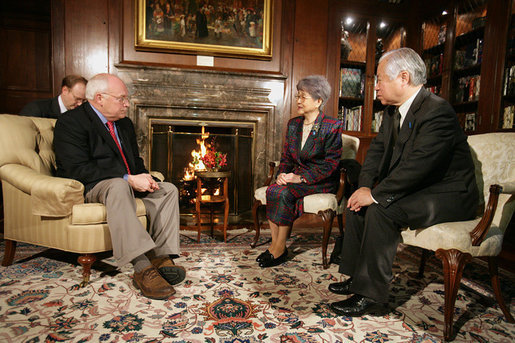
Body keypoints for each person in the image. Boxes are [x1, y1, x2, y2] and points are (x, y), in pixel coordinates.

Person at [328, 48, 478, 316]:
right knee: (358, 202)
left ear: (404, 78)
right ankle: (355, 277)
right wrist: (364, 186)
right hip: (422, 188)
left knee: (381, 207)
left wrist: (375, 195)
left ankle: (369, 294)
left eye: (381, 80)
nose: (376, 88)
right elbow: (375, 153)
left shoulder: (437, 111)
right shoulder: (392, 112)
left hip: (449, 195)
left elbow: (418, 167)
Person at [54, 73, 185, 300]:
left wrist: (144, 176)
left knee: (168, 189)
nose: (127, 103)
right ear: (99, 98)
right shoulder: (70, 122)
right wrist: (127, 178)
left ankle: (161, 257)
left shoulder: (124, 124)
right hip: (93, 186)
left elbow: (135, 161)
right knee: (117, 186)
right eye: (121, 98)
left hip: (125, 181)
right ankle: (142, 267)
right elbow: (77, 168)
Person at [256, 75, 343, 268]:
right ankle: (274, 246)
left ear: (318, 101)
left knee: (285, 193)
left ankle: (279, 249)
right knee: (273, 190)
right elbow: (287, 156)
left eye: (303, 97)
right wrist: (282, 174)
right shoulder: (294, 124)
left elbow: (330, 165)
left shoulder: (332, 126)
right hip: (296, 176)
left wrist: (301, 178)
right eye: (298, 96)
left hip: (321, 179)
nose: (298, 101)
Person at [20, 74, 87, 118]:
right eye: (77, 99)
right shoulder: (36, 108)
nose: (80, 104)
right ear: (65, 90)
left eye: (83, 100)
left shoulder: (84, 113)